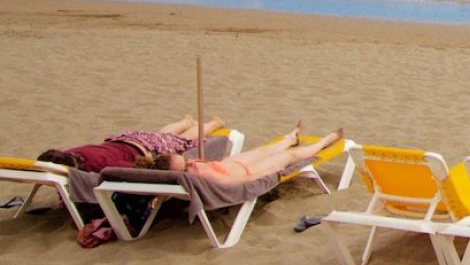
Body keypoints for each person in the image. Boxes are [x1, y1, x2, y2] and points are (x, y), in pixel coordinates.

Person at [155, 123, 344, 184]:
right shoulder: (205, 176)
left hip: (230, 163)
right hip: (246, 170)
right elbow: (240, 182)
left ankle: (290, 138)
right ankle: (326, 141)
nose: (192, 163)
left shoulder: (193, 172)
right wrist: (270, 172)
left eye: (187, 160)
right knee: (290, 157)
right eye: (187, 166)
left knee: (265, 149)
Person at [37, 115, 225, 173]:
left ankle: (215, 123)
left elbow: (138, 167)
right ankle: (185, 122)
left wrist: (152, 160)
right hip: (122, 139)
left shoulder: (97, 165)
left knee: (183, 141)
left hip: (138, 147)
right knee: (160, 135)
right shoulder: (72, 152)